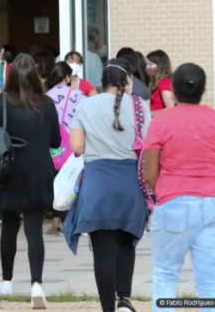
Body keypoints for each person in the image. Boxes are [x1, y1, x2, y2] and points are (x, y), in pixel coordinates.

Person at [144, 63, 215, 312]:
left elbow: (149, 173)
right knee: (211, 284)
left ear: (172, 90)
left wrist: (162, 190)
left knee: (165, 275)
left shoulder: (161, 122)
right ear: (203, 89)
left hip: (173, 202)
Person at [66, 58, 151, 312]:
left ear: (103, 82)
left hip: (97, 183)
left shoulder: (86, 105)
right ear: (127, 81)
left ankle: (108, 308)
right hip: (129, 184)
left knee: (102, 250)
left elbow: (77, 147)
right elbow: (148, 143)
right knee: (126, 243)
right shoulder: (139, 106)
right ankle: (124, 299)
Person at [0, 54, 61, 309]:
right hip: (39, 171)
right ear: (35, 77)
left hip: (9, 172)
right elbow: (55, 141)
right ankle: (37, 286)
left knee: (9, 225)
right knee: (34, 230)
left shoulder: (1, 102)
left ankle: (7, 281)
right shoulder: (47, 103)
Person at [44, 62, 88, 235]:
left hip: (52, 146)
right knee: (74, 182)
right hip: (74, 145)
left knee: (57, 183)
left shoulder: (45, 96)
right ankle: (74, 220)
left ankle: (57, 221)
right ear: (68, 77)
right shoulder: (78, 95)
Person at [147, 50, 174, 115]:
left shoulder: (164, 82)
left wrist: (150, 114)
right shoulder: (155, 82)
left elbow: (171, 108)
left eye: (150, 64)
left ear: (159, 66)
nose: (147, 67)